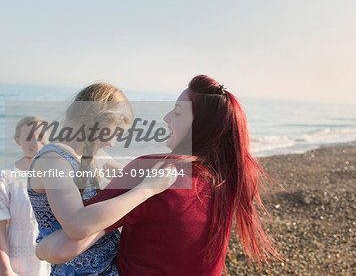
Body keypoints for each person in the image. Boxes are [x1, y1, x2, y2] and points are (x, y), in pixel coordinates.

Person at [36, 75, 279, 275]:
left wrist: (39, 249)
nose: (166, 118)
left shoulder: (156, 171)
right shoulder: (228, 178)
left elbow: (70, 242)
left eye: (177, 112)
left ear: (199, 126)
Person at [27, 82, 177, 275]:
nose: (113, 144)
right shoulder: (53, 163)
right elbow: (76, 225)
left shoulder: (89, 155)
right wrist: (147, 190)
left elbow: (128, 175)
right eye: (115, 133)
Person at [0, 116, 51, 276]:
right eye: (28, 137)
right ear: (17, 140)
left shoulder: (56, 175)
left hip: (50, 258)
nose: (35, 143)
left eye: (41, 137)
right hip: (18, 260)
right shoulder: (6, 176)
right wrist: (6, 269)